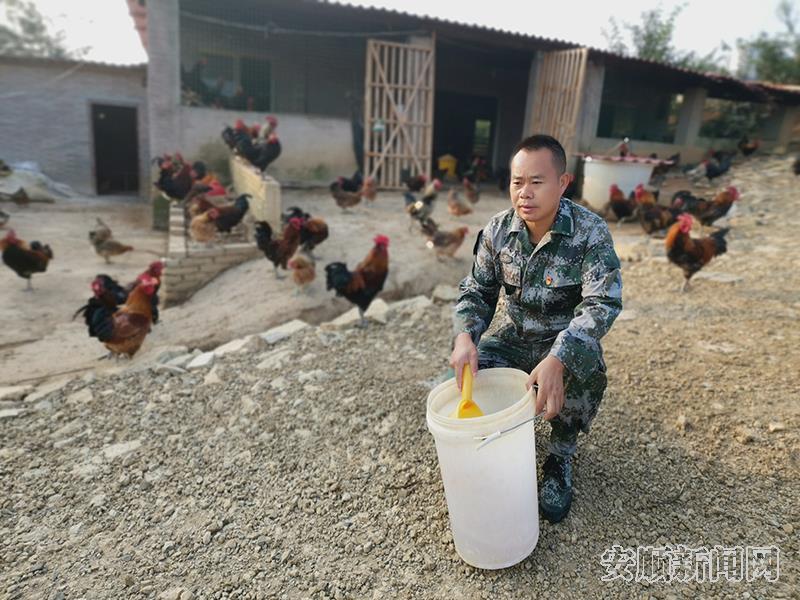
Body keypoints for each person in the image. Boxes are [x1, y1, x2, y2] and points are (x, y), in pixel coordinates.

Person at [450, 134, 622, 523]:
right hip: (516, 337)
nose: (524, 193)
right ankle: (501, 446)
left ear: (563, 183)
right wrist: (465, 337)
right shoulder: (497, 231)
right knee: (469, 374)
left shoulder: (590, 233)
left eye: (536, 182)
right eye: (516, 182)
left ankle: (560, 458)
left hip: (562, 339)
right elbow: (477, 290)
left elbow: (603, 303)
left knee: (585, 370)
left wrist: (560, 359)